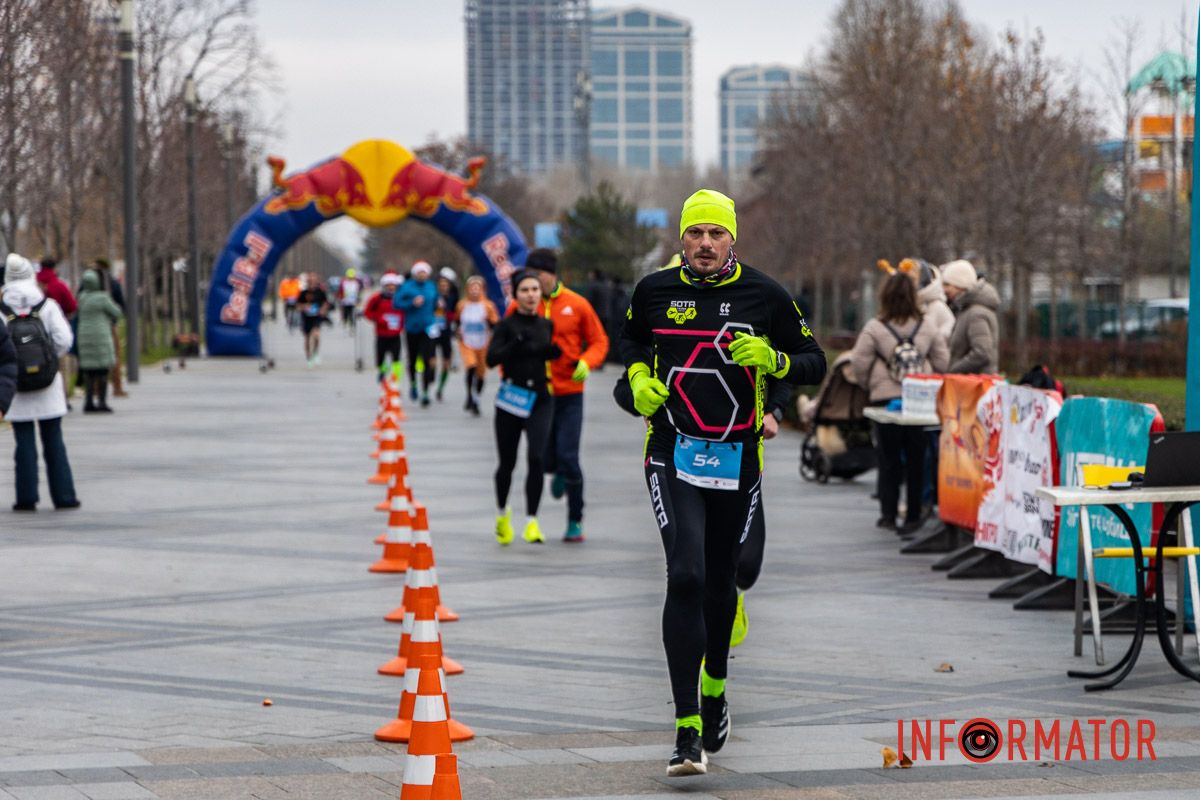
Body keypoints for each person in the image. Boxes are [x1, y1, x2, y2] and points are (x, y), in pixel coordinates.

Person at [619, 189, 826, 776]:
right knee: (684, 573)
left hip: (736, 456)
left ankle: (715, 686)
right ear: (680, 239)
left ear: (732, 239)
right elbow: (631, 343)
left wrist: (775, 361)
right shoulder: (653, 291)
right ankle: (687, 728)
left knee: (722, 580)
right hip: (670, 451)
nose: (705, 244)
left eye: (716, 234)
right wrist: (635, 381)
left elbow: (815, 360)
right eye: (695, 234)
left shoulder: (765, 294)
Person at [519, 248, 609, 543]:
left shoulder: (577, 304)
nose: (534, 283)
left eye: (539, 276)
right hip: (537, 394)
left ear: (551, 274)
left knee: (569, 455)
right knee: (541, 457)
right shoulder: (520, 306)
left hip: (570, 392)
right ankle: (554, 468)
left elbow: (599, 341)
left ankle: (575, 520)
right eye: (529, 277)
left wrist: (587, 361)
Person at [850, 272, 949, 534]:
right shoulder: (927, 325)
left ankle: (888, 514)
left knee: (888, 458)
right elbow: (942, 362)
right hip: (919, 400)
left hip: (884, 399)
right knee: (918, 458)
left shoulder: (875, 326)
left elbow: (858, 363)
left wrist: (870, 384)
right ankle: (914, 514)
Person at [1, 254, 79, 511]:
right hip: (48, 386)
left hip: (17, 388)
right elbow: (65, 340)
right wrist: (49, 361)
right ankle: (64, 496)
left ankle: (26, 498)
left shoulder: (2, 311)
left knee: (23, 443)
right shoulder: (47, 305)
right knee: (54, 440)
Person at [487, 271, 560, 546]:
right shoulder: (506, 325)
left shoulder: (547, 324)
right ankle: (502, 513)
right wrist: (514, 344)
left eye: (534, 290)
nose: (531, 295)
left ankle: (532, 521)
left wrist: (553, 353)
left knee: (537, 458)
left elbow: (543, 353)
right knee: (507, 462)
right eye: (525, 290)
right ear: (515, 295)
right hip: (510, 398)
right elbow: (492, 359)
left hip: (540, 397)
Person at [76, 269, 125, 413]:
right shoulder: (102, 298)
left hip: (84, 336)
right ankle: (102, 402)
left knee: (89, 371)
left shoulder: (81, 298)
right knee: (102, 370)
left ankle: (88, 402)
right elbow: (117, 312)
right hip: (101, 336)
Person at [940, 259, 999, 374]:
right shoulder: (965, 310)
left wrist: (953, 370)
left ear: (960, 285)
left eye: (947, 284)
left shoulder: (976, 314)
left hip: (975, 386)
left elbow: (982, 353)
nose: (944, 289)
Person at [393, 261, 439, 406]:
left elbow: (436, 303)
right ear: (415, 273)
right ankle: (413, 384)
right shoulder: (407, 287)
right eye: (419, 272)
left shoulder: (432, 286)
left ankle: (425, 392)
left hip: (428, 328)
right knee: (413, 359)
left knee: (426, 360)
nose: (422, 275)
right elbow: (396, 303)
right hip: (412, 328)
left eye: (424, 272)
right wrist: (412, 303)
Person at [36, 258, 78, 407]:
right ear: (54, 268)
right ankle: (63, 398)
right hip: (55, 331)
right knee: (61, 366)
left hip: (33, 334)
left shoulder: (34, 284)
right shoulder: (58, 285)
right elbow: (72, 305)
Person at [456, 275, 499, 415]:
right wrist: (456, 330)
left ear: (482, 290)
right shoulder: (462, 305)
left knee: (480, 374)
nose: (474, 291)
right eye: (472, 288)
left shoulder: (488, 306)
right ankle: (469, 395)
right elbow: (456, 321)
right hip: (467, 342)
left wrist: (488, 322)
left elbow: (495, 325)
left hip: (483, 343)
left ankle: (477, 398)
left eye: (477, 288)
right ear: (468, 290)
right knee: (470, 367)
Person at [89, 258, 128, 398]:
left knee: (93, 358)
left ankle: (93, 388)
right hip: (110, 325)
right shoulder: (113, 283)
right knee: (114, 356)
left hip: (91, 328)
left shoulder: (86, 286)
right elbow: (121, 306)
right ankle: (117, 387)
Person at [362, 273, 405, 381]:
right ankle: (383, 370)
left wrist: (403, 323)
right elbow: (367, 312)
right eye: (388, 285)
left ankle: (396, 380)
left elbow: (406, 312)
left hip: (395, 334)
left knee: (396, 359)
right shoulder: (377, 298)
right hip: (381, 334)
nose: (391, 287)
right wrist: (378, 319)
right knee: (380, 359)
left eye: (393, 285)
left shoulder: (400, 298)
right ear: (384, 286)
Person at [432, 267, 460, 402]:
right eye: (441, 285)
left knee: (446, 361)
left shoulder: (454, 296)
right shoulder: (432, 295)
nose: (443, 287)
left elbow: (457, 312)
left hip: (446, 331)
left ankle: (440, 388)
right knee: (431, 360)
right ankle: (429, 376)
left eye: (446, 284)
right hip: (432, 331)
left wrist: (452, 318)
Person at [296, 271, 330, 367]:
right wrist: (304, 306)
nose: (312, 282)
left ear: (316, 281)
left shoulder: (320, 292)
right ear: (307, 281)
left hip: (316, 317)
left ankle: (315, 353)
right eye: (310, 280)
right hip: (306, 317)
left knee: (316, 335)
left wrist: (323, 310)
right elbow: (298, 305)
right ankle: (308, 357)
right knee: (307, 339)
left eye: (314, 279)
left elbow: (326, 303)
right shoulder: (303, 293)